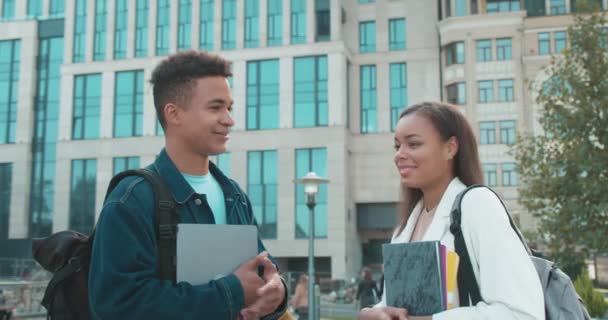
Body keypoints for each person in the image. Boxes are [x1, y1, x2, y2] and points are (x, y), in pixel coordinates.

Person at [89, 51, 287, 319]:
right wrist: (232, 293)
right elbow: (117, 305)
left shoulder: (235, 195)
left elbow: (262, 271)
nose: (229, 119)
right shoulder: (132, 199)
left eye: (230, 107)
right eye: (215, 107)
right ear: (174, 114)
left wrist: (277, 291)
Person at [358, 101, 544, 320]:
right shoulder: (404, 227)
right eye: (397, 146)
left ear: (450, 148)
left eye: (414, 144)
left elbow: (522, 313)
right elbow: (398, 306)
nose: (399, 154)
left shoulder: (478, 205)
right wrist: (372, 313)